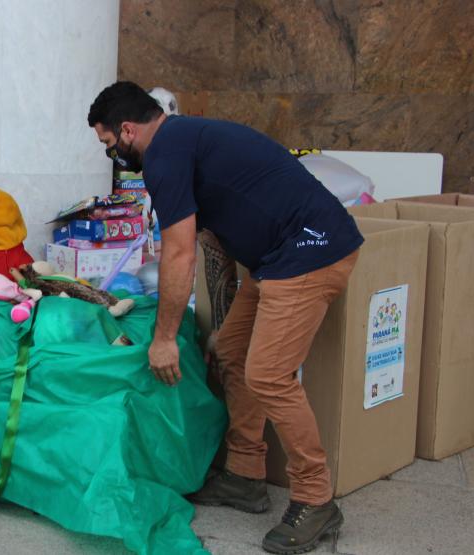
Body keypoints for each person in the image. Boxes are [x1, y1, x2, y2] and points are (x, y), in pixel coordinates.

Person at [87, 82, 364, 554]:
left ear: (128, 130)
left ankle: (317, 498)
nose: (113, 154)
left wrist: (165, 339)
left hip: (310, 252)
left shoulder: (164, 153)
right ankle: (245, 474)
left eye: (109, 144)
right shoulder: (185, 140)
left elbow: (178, 254)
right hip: (276, 258)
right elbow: (212, 239)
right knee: (232, 350)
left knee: (269, 374)